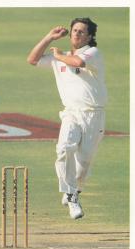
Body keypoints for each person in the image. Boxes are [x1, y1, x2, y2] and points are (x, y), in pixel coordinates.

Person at [27, 17, 107, 219]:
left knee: (83, 163)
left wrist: (59, 56)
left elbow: (78, 62)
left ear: (89, 36)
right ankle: (71, 196)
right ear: (70, 33)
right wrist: (49, 38)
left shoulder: (92, 53)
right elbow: (32, 59)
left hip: (94, 114)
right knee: (63, 149)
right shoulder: (59, 57)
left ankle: (74, 190)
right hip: (72, 112)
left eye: (82, 31)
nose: (77, 34)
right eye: (74, 30)